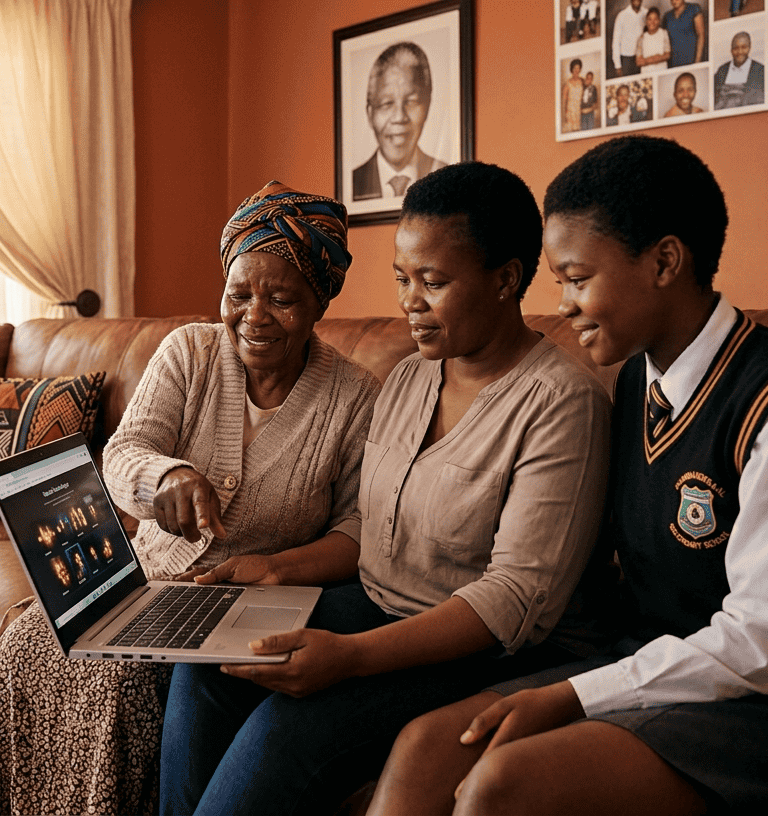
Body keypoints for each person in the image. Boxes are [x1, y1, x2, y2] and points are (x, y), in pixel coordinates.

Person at [366, 135, 768, 816]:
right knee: (425, 745)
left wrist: (571, 695)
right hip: (647, 663)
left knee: (503, 783)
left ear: (664, 261)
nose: (564, 305)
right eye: (560, 283)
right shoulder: (638, 378)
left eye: (578, 279)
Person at [159, 162, 612, 816]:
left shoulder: (561, 405)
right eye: (402, 279)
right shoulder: (407, 380)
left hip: (474, 650)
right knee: (205, 659)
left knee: (280, 729)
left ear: (506, 279)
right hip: (372, 606)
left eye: (434, 281)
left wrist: (349, 657)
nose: (410, 302)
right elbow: (371, 527)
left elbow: (513, 601)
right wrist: (275, 570)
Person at [0, 181, 381, 816]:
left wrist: (275, 570)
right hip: (145, 581)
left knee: (120, 677)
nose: (254, 315)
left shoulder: (355, 398)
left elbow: (357, 532)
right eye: (239, 294)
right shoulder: (191, 351)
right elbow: (124, 451)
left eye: (282, 298)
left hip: (243, 607)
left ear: (321, 302)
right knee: (26, 640)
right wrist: (166, 478)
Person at [353, 42, 447, 202]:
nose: (399, 117)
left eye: (411, 101)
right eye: (386, 104)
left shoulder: (444, 179)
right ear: (370, 114)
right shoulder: (354, 181)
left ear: (427, 106)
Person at [714, 31, 766, 108]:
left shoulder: (761, 70)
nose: (740, 52)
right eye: (736, 48)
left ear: (749, 47)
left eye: (744, 47)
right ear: (731, 50)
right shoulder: (722, 71)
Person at [664, 0, 705, 67]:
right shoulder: (667, 16)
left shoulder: (694, 8)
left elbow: (701, 35)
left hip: (691, 59)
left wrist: (698, 61)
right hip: (673, 63)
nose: (674, 1)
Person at [610, 0, 645, 77]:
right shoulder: (621, 15)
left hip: (643, 57)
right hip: (626, 59)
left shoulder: (646, 13)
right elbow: (616, 41)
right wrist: (617, 65)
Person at [635, 8, 670, 74]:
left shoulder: (664, 33)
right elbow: (639, 62)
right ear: (646, 21)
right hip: (646, 73)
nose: (652, 22)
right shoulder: (641, 38)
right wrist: (658, 57)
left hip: (662, 72)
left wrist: (646, 61)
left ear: (659, 21)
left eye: (655, 19)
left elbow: (667, 55)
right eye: (650, 19)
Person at [561, 59, 585, 133]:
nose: (576, 70)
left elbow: (585, 96)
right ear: (572, 69)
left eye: (578, 68)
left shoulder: (582, 81)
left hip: (579, 109)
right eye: (575, 68)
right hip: (570, 110)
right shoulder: (568, 83)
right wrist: (564, 113)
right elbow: (564, 100)